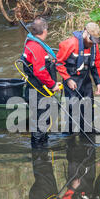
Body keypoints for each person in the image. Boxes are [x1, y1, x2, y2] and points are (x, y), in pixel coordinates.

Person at [56, 22, 100, 133]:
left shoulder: (94, 47)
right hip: (71, 80)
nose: (93, 43)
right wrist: (67, 79)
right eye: (91, 40)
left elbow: (95, 64)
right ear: (85, 33)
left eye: (95, 41)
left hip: (86, 80)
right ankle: (69, 133)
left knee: (88, 105)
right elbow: (58, 63)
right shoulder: (69, 44)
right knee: (72, 107)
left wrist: (98, 83)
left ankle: (86, 130)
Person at [21, 17, 62, 147]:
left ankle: (41, 148)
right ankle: (39, 153)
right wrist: (53, 85)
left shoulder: (32, 43)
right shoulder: (36, 48)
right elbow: (40, 72)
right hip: (38, 91)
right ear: (44, 30)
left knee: (41, 121)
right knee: (40, 123)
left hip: (36, 89)